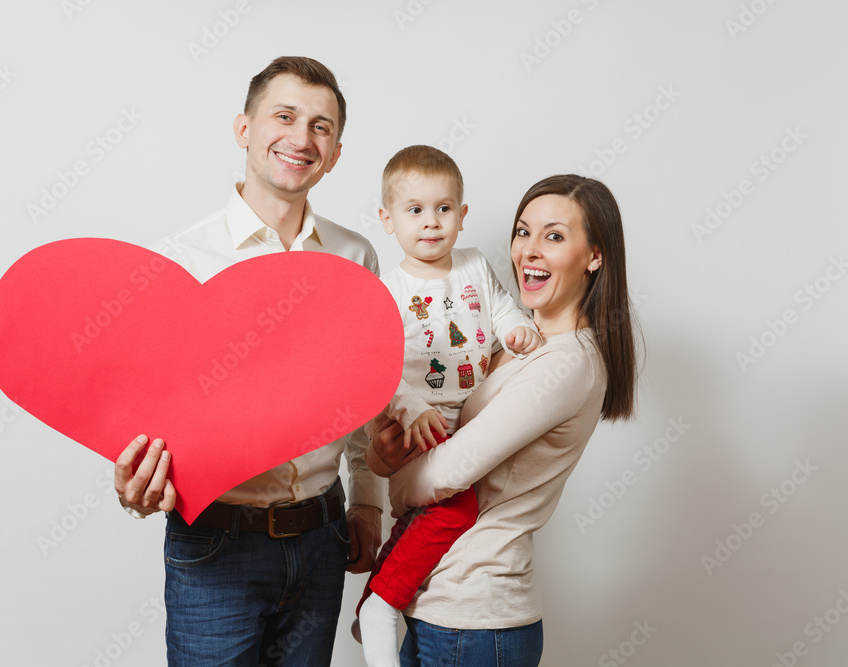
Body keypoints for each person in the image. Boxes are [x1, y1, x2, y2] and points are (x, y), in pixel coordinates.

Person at [112, 56, 385, 667]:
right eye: (284, 116)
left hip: (323, 537)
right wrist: (135, 486)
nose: (301, 138)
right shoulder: (181, 260)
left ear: (336, 153)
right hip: (216, 542)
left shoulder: (355, 255)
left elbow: (371, 392)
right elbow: (148, 409)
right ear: (244, 129)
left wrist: (368, 501)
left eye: (321, 126)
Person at [366, 174, 638, 666]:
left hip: (476, 618)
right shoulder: (511, 343)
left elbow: (450, 472)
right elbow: (427, 435)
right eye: (522, 231)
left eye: (554, 236)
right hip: (438, 607)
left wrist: (399, 487)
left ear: (594, 256)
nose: (529, 250)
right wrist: (380, 458)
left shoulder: (567, 363)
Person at [352, 145, 542, 667]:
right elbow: (377, 369)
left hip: (475, 416)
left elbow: (502, 308)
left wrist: (516, 330)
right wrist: (411, 408)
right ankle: (382, 604)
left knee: (450, 517)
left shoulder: (476, 266)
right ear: (388, 220)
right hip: (422, 426)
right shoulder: (388, 291)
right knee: (453, 508)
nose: (430, 223)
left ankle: (390, 590)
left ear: (462, 214)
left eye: (443, 209)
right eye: (414, 210)